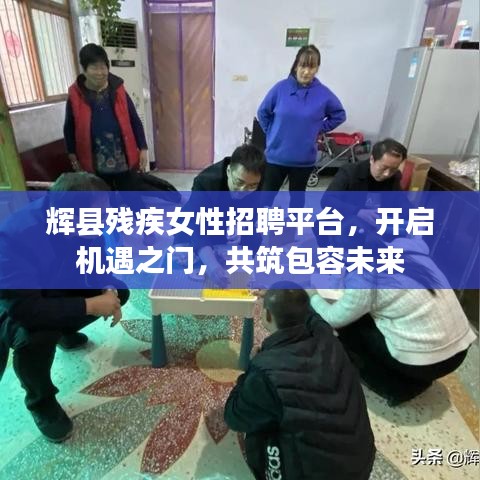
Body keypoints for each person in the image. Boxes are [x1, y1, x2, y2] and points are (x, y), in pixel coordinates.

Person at [0, 172, 130, 442]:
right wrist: (90, 304)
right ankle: (41, 402)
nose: (103, 224)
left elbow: (96, 261)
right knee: (36, 335)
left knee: (121, 292)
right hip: (18, 306)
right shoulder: (16, 236)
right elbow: (26, 309)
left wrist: (107, 288)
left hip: (56, 286)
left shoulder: (87, 219)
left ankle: (65, 332)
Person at [224, 284, 375, 480]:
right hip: (361, 466)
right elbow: (315, 318)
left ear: (267, 315)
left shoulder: (266, 371)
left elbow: (233, 416)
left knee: (256, 426)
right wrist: (284, 296)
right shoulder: (329, 339)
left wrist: (248, 372)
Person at [310, 235, 477, 407]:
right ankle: (414, 375)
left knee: (351, 327)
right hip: (459, 351)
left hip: (429, 363)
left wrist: (313, 298)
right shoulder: (409, 249)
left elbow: (334, 318)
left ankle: (395, 386)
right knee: (367, 312)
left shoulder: (366, 276)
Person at [258, 44, 346, 206]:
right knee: (265, 198)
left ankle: (294, 223)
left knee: (297, 199)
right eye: (303, 65)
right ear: (296, 65)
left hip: (303, 159)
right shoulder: (280, 89)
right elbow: (262, 113)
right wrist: (271, 133)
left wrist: (318, 128)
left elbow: (339, 115)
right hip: (276, 157)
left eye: (312, 67)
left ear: (317, 68)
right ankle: (259, 222)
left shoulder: (323, 93)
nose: (306, 71)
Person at [175, 144, 265, 287]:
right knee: (187, 259)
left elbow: (253, 214)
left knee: (254, 240)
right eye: (239, 182)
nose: (243, 190)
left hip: (230, 222)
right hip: (199, 222)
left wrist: (242, 229)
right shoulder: (206, 182)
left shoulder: (258, 180)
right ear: (229, 171)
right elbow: (196, 225)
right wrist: (212, 265)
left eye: (252, 186)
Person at [64, 43, 149, 190]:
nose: (100, 72)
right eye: (94, 68)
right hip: (95, 162)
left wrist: (143, 147)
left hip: (123, 158)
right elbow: (69, 127)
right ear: (84, 70)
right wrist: (72, 154)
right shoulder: (75, 96)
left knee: (132, 197)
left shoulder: (118, 89)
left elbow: (134, 119)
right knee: (103, 198)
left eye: (103, 67)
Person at [325, 137, 407, 225]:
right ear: (372, 159)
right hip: (346, 219)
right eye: (383, 168)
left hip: (373, 223)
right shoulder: (350, 171)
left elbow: (402, 202)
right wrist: (358, 211)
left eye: (393, 169)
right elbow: (327, 200)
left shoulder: (395, 176)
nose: (387, 174)